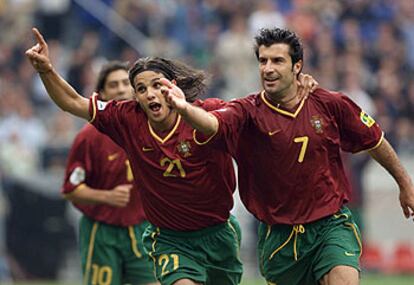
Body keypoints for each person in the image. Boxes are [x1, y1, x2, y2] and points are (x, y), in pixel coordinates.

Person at [160, 27, 414, 285]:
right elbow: (213, 124)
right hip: (279, 238)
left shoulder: (330, 104)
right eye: (263, 61)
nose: (268, 68)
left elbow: (375, 139)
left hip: (330, 225)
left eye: (278, 60)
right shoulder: (247, 112)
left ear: (297, 66)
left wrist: (405, 183)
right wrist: (184, 108)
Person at [26, 28, 243, 285]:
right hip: (170, 238)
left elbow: (250, 115)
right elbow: (73, 102)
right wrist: (45, 70)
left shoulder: (208, 113)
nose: (149, 93)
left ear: (173, 86)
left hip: (217, 232)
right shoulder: (126, 118)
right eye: (141, 88)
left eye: (156, 85)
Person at [61, 61, 158, 285]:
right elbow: (70, 189)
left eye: (126, 83)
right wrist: (107, 196)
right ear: (102, 94)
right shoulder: (88, 137)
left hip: (142, 228)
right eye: (113, 85)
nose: (121, 89)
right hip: (101, 230)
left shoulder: (153, 127)